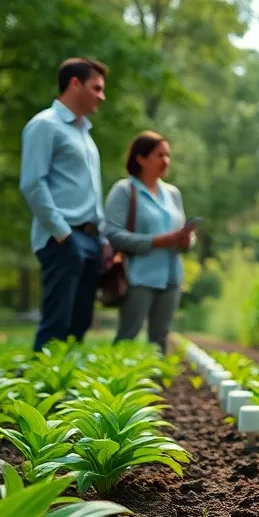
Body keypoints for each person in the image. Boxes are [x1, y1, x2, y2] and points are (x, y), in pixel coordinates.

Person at [20, 57, 109, 354]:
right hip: (62, 238)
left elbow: (90, 192)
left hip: (90, 239)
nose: (101, 96)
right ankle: (40, 392)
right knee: (56, 323)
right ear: (74, 83)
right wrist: (62, 234)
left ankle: (67, 390)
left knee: (79, 323)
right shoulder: (44, 125)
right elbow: (33, 183)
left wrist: (103, 239)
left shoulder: (85, 133)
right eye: (96, 88)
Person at [103, 132, 195, 353]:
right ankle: (116, 380)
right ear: (140, 158)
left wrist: (186, 240)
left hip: (171, 276)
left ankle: (157, 384)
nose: (165, 161)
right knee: (128, 333)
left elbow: (182, 231)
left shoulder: (173, 193)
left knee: (161, 337)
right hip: (138, 276)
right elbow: (111, 233)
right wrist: (156, 242)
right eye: (159, 155)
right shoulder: (125, 191)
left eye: (168, 155)